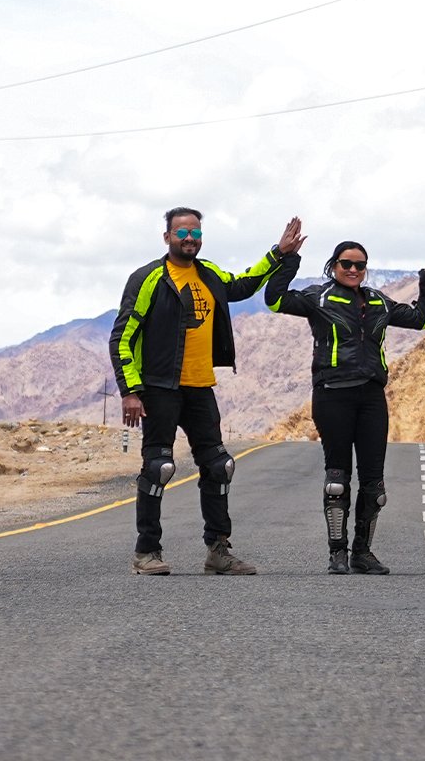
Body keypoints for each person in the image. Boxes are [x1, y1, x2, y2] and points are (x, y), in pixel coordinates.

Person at [110, 207, 300, 576]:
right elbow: (122, 336)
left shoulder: (209, 273)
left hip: (200, 388)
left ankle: (218, 551)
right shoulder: (148, 278)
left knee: (219, 466)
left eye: (195, 233)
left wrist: (279, 254)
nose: (189, 239)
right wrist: (130, 390)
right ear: (167, 237)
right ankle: (146, 552)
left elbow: (243, 285)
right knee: (158, 467)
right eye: (182, 233)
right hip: (160, 389)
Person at [265, 223, 425, 575]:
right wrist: (287, 257)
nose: (352, 270)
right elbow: (274, 299)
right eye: (346, 263)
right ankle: (337, 553)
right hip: (332, 395)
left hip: (372, 397)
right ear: (334, 266)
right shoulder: (318, 298)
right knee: (337, 477)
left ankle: (363, 552)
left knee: (375, 483)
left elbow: (422, 318)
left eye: (360, 265)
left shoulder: (378, 301)